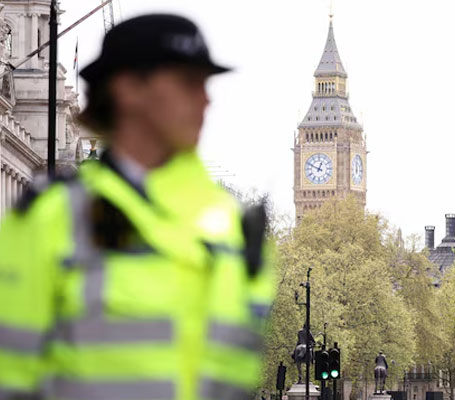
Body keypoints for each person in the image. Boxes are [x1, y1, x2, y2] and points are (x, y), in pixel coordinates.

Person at [0, 14, 276, 400]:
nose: (205, 98)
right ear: (129, 89)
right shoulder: (49, 218)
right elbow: (12, 376)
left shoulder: (235, 226)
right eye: (187, 83)